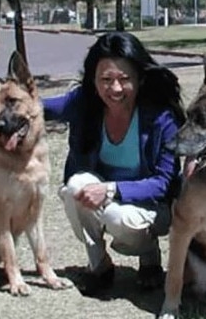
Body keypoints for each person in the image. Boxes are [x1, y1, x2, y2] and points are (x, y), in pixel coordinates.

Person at [43, 31, 185, 296]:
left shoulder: (161, 117)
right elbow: (38, 107)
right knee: (76, 186)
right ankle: (100, 266)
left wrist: (110, 190)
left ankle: (150, 256)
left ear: (140, 79)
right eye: (105, 80)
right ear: (93, 81)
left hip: (151, 207)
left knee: (117, 217)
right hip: (106, 199)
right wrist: (1, 109)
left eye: (124, 79)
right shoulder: (84, 103)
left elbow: (163, 184)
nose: (115, 89)